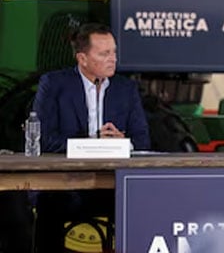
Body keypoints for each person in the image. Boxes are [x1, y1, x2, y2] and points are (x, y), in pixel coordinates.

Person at [32, 23, 151, 252]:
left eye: (114, 52)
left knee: (143, 201)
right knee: (50, 204)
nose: (112, 59)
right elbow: (43, 141)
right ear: (82, 59)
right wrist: (92, 142)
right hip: (66, 184)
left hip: (112, 185)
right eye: (104, 53)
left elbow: (142, 141)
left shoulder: (125, 89)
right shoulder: (54, 84)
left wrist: (122, 143)